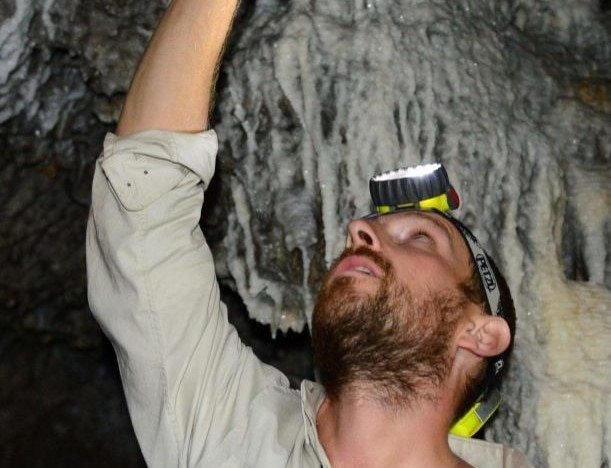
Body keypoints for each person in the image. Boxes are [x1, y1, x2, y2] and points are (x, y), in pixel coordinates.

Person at [86, 0, 533, 466]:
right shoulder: (235, 434)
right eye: (366, 227)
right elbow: (143, 194)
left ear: (480, 335)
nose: (359, 230)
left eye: (420, 237)